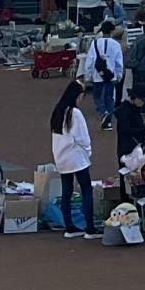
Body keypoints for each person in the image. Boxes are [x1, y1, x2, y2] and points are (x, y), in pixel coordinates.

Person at [48, 80, 99, 238]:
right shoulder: (74, 113)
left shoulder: (58, 111)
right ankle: (90, 228)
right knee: (86, 189)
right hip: (76, 156)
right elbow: (82, 137)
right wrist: (88, 151)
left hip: (61, 157)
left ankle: (69, 227)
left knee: (67, 192)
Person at [86, 20, 125, 131]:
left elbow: (90, 60)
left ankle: (104, 112)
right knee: (110, 97)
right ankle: (109, 116)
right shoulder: (116, 44)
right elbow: (119, 61)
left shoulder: (95, 43)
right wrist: (119, 74)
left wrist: (88, 75)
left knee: (97, 96)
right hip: (111, 74)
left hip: (97, 74)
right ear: (112, 31)